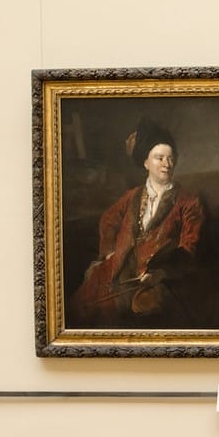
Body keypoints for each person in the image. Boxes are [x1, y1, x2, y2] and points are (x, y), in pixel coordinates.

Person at [67, 118, 207, 328]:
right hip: (116, 269)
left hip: (155, 278)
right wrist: (110, 253)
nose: (167, 164)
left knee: (118, 315)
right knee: (78, 309)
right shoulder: (133, 196)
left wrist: (161, 273)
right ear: (145, 163)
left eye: (171, 158)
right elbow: (108, 219)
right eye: (159, 158)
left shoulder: (188, 202)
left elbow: (189, 249)